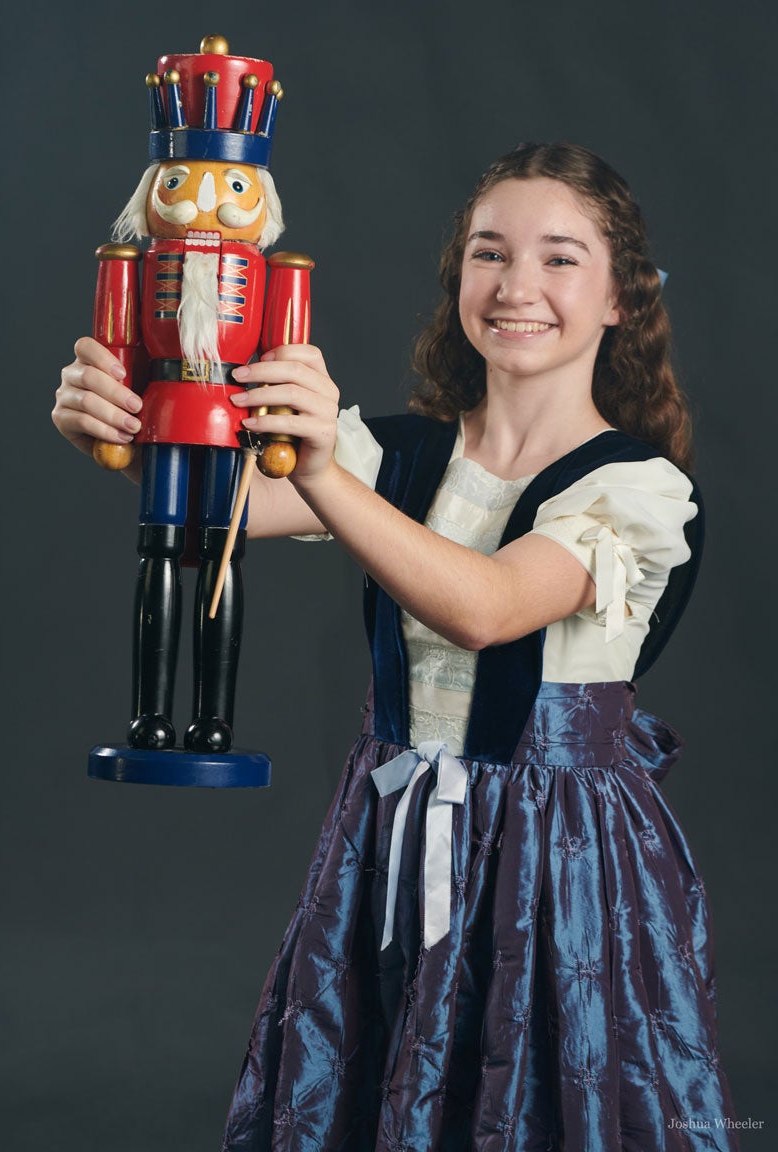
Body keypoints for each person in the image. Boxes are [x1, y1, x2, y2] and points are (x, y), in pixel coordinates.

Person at [53, 142, 740, 1150]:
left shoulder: (636, 489)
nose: (515, 286)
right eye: (487, 253)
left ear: (619, 300)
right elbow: (213, 511)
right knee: (378, 1085)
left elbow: (488, 605)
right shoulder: (400, 454)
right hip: (390, 831)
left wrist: (328, 472)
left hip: (558, 855)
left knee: (544, 1097)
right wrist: (121, 439)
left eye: (558, 258)